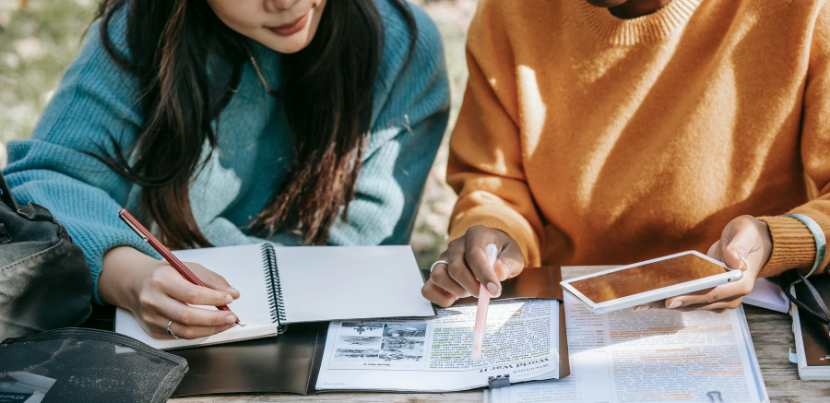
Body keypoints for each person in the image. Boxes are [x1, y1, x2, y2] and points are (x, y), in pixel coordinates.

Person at [3, 0, 449, 339]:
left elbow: (361, 253)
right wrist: (128, 276)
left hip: (316, 343)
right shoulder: (145, 29)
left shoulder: (402, 46)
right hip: (143, 344)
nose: (284, 3)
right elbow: (41, 183)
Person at [422, 0, 830, 312]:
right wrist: (494, 232)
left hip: (752, 315)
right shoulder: (510, 12)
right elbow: (495, 180)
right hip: (567, 310)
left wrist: (776, 240)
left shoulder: (804, 12)